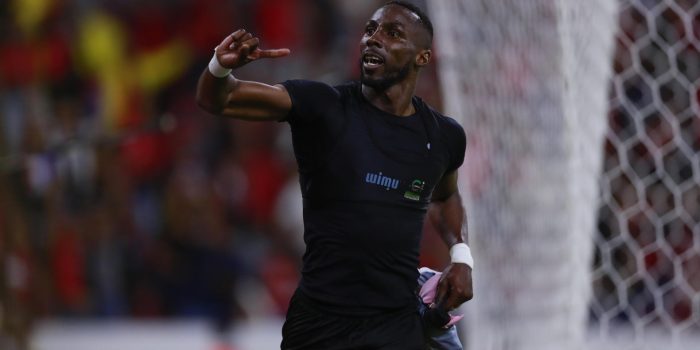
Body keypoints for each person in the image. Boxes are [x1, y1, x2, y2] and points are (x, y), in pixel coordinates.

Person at [196, 1, 473, 349]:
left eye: (393, 33)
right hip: (320, 326)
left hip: (396, 326)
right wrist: (220, 66)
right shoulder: (322, 106)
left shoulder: (444, 137)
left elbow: (446, 196)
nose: (374, 39)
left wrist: (461, 256)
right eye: (370, 30)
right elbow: (217, 100)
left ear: (422, 57)